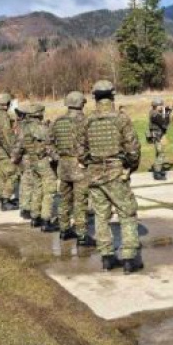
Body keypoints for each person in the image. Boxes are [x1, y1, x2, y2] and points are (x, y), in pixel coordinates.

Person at [74, 80, 142, 273]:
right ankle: (129, 258)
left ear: (94, 97)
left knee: (101, 216)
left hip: (95, 175)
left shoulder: (87, 121)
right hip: (116, 173)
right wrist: (129, 166)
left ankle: (106, 257)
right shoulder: (121, 119)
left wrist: (92, 164)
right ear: (112, 96)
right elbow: (133, 149)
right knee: (127, 213)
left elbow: (80, 151)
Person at [51, 91, 95, 246]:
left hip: (63, 165)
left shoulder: (58, 121)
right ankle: (82, 235)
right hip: (79, 166)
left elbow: (48, 143)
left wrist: (57, 157)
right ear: (81, 104)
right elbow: (91, 144)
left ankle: (64, 230)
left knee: (64, 199)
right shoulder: (86, 121)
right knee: (80, 201)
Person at [13, 103, 58, 231]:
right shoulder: (41, 128)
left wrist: (15, 159)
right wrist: (57, 158)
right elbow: (49, 147)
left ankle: (35, 217)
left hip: (32, 162)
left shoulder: (24, 128)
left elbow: (19, 146)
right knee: (49, 190)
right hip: (43, 162)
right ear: (39, 114)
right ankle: (46, 220)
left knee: (37, 189)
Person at [12, 102, 35, 220]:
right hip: (27, 158)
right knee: (27, 184)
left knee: (25, 183)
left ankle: (25, 206)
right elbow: (20, 144)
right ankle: (26, 208)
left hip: (23, 158)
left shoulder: (20, 125)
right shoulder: (24, 126)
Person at [147, 97, 172, 180]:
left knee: (159, 154)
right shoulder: (155, 115)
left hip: (158, 136)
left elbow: (163, 121)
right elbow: (164, 124)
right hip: (157, 137)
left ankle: (159, 169)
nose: (162, 107)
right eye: (160, 105)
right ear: (156, 106)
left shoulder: (154, 112)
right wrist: (167, 114)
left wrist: (166, 112)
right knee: (161, 154)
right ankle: (157, 173)